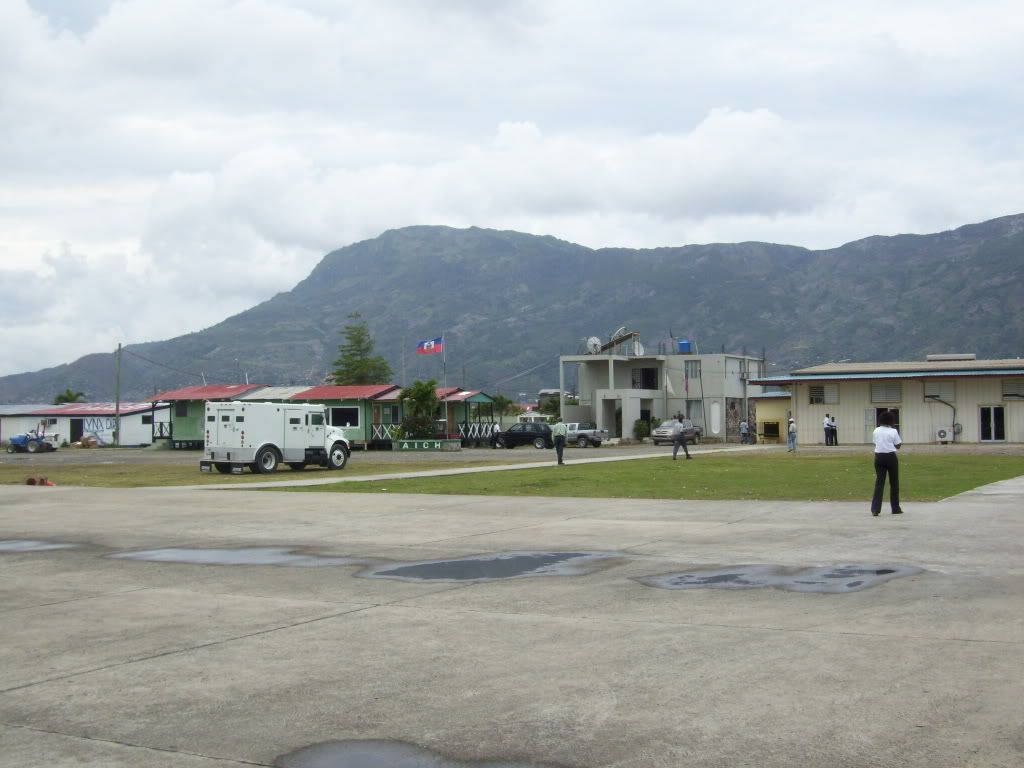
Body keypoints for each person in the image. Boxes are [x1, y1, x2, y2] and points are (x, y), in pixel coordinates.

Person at [870, 410, 903, 516]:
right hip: (890, 457)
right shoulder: (893, 431)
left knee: (879, 483)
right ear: (891, 421)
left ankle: (875, 509)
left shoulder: (876, 430)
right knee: (894, 483)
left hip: (878, 457)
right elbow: (898, 445)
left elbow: (875, 442)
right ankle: (895, 508)